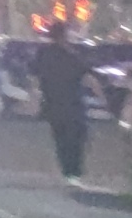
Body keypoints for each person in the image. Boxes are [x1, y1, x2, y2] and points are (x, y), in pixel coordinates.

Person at [35, 21, 94, 186]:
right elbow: (86, 76)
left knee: (61, 138)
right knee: (75, 137)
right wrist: (104, 99)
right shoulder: (71, 55)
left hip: (53, 103)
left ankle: (68, 171)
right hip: (72, 103)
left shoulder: (43, 54)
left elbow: (35, 77)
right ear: (64, 35)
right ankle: (74, 171)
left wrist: (36, 98)